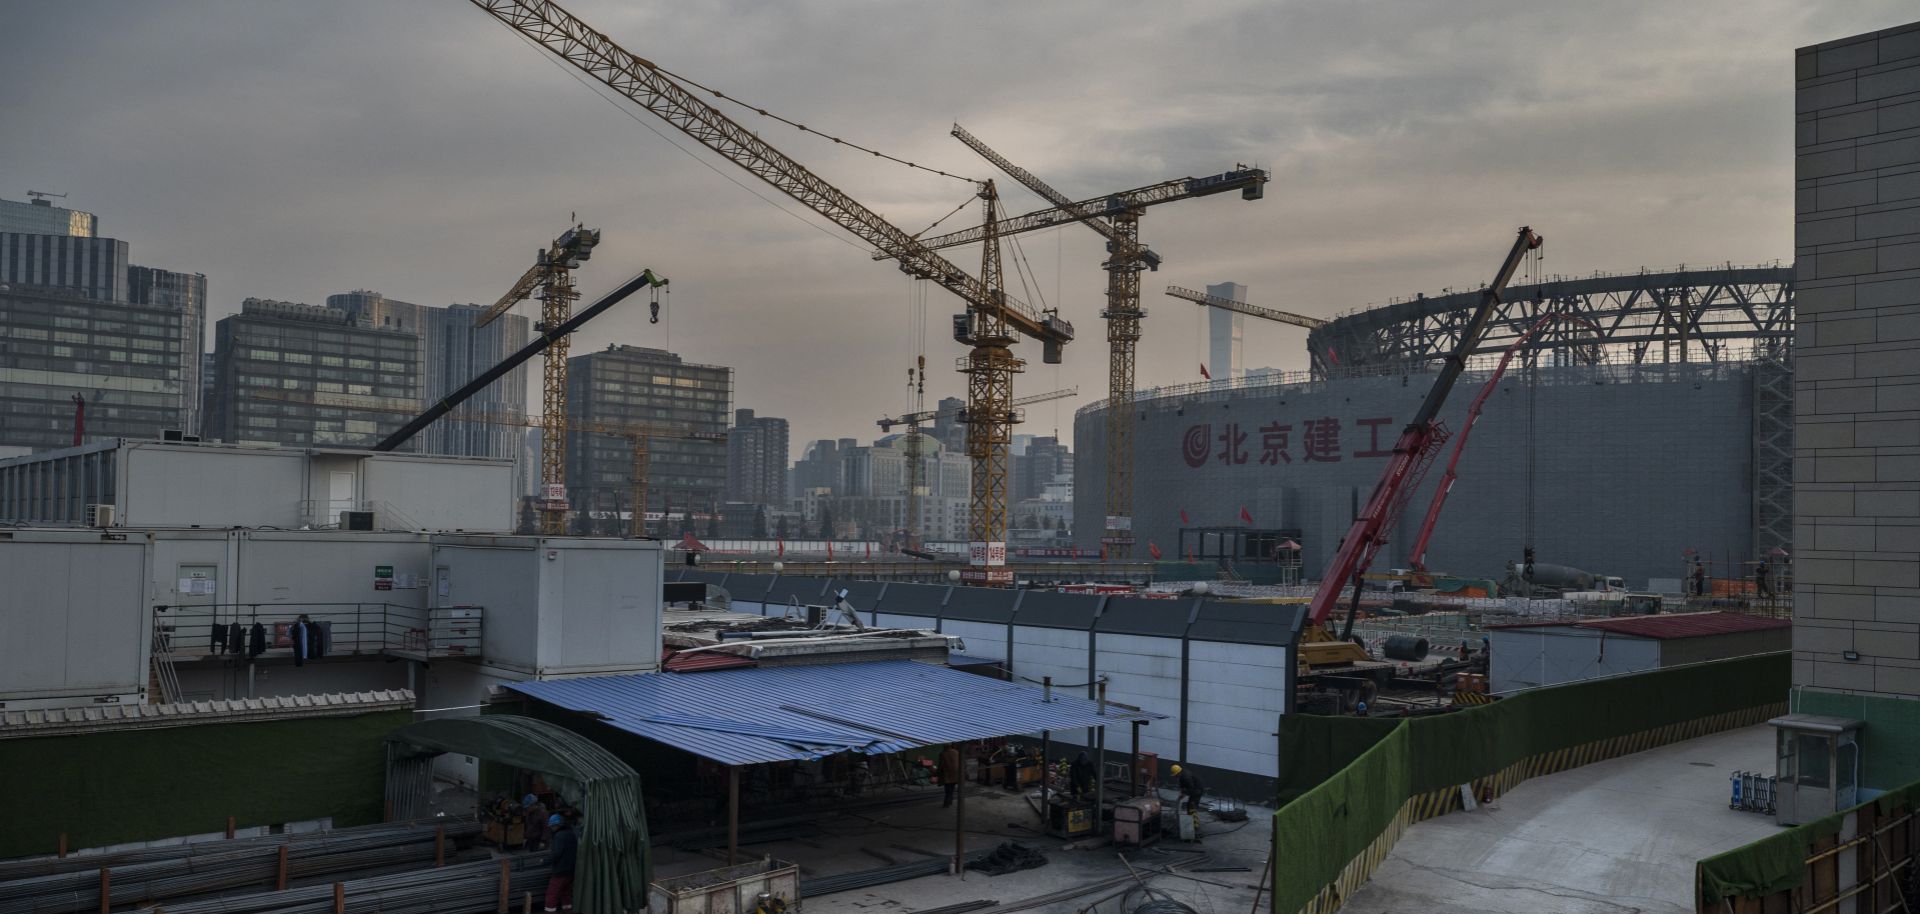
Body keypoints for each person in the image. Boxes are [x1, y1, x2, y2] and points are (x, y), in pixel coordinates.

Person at [544, 813, 576, 913]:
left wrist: (545, 861)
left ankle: (549, 912)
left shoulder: (559, 836)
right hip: (571, 870)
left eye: (552, 826)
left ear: (557, 825)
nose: (551, 828)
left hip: (560, 871)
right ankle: (568, 911)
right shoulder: (571, 833)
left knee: (552, 894)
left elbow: (557, 853)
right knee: (565, 892)